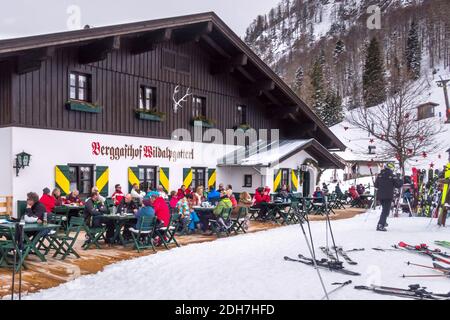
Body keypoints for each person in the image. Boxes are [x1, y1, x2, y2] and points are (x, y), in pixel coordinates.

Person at [374, 162, 403, 231]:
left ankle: (383, 221)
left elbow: (376, 185)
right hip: (388, 196)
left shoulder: (380, 175)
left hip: (380, 196)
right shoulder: (392, 176)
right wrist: (400, 179)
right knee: (385, 211)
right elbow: (398, 185)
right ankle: (380, 225)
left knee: (385, 210)